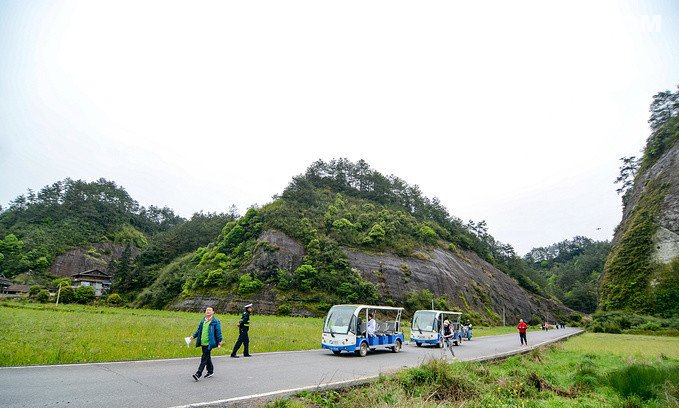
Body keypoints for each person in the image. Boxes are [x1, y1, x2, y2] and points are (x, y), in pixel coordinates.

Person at [189, 306, 222, 381]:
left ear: (213, 312)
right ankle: (210, 371)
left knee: (204, 358)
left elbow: (218, 331)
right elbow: (199, 330)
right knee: (207, 357)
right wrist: (193, 336)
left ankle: (198, 373)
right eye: (207, 310)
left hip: (209, 343)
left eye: (210, 310)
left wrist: (220, 340)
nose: (208, 311)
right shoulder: (203, 320)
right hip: (203, 342)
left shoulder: (215, 321)